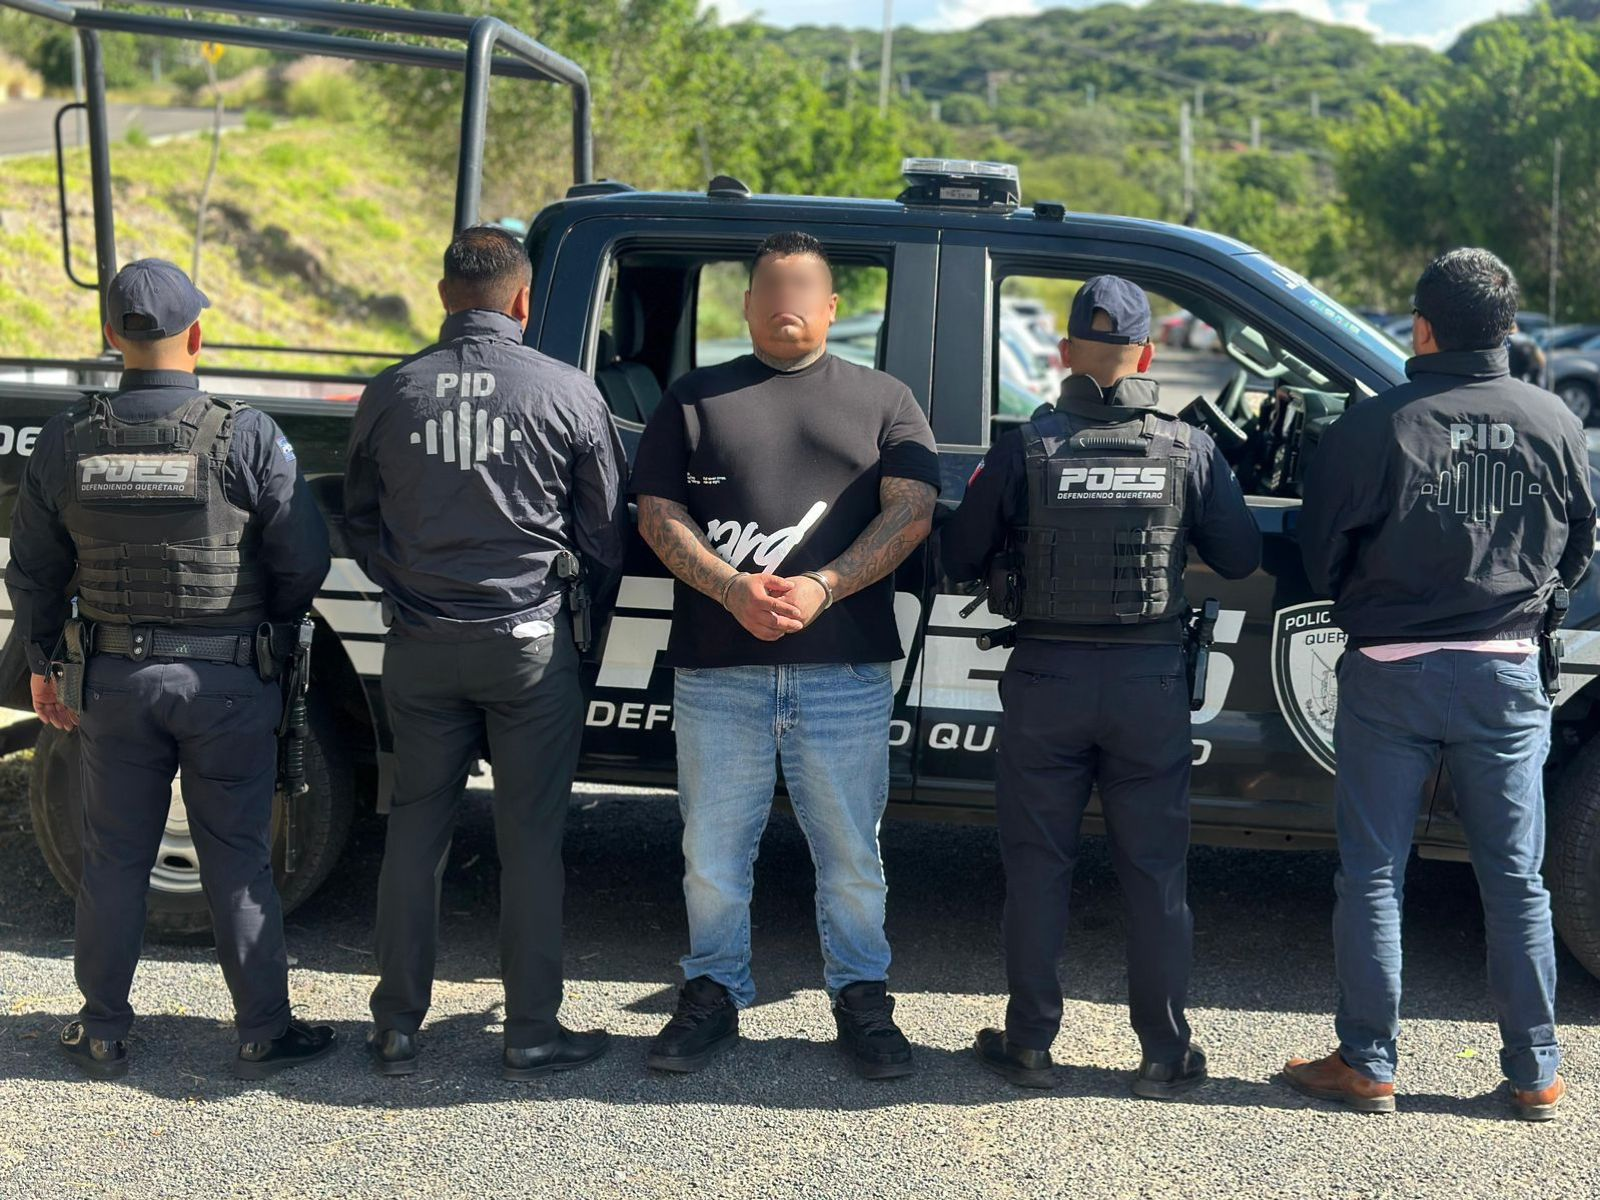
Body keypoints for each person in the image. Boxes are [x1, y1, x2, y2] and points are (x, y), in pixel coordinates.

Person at [6, 259, 336, 1080]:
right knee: (238, 856)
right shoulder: (245, 434)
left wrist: (44, 662)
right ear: (197, 336)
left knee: (113, 858)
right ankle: (263, 1032)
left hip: (113, 682)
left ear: (110, 336)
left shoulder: (66, 437)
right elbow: (303, 558)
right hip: (228, 680)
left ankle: (102, 1032)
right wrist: (269, 635)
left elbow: (34, 570)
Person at [1289, 248, 1593, 1121]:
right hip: (1506, 673)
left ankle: (1368, 1063)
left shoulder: (1374, 425)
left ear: (1422, 328)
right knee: (1517, 879)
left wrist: (1370, 606)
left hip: (1391, 674)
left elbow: (1321, 551)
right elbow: (1580, 543)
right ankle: (1536, 1072)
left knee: (1373, 874)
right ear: (1508, 329)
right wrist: (1533, 607)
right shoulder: (1553, 420)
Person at [630, 231, 940, 1079]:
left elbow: (912, 509)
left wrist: (826, 585)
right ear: (746, 304)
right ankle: (713, 992)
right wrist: (732, 587)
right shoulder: (695, 398)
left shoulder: (884, 399)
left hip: (844, 672)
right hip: (717, 672)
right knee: (712, 854)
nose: (785, 302)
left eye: (802, 288)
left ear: (832, 307)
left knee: (851, 857)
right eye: (769, 287)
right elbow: (656, 511)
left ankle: (862, 999)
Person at [942, 277, 1260, 1098]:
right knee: (1155, 872)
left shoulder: (1025, 446)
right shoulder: (1189, 448)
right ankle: (1164, 1053)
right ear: (1147, 357)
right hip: (1148, 682)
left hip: (1046, 678)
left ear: (1064, 355)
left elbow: (959, 553)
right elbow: (1240, 557)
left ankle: (1029, 1046)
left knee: (1037, 867)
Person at [345, 226, 626, 1080]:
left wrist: (408, 585)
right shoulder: (567, 391)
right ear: (524, 300)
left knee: (415, 832)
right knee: (531, 841)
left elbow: (360, 518)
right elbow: (604, 535)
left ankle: (396, 1025)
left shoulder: (392, 391)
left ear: (443, 296)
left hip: (421, 644)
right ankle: (531, 1031)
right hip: (530, 647)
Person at [1506, 322, 1547, 389]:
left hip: (1512, 374)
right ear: (1516, 328)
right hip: (1529, 375)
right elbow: (1541, 360)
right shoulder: (1527, 339)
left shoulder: (1504, 341)